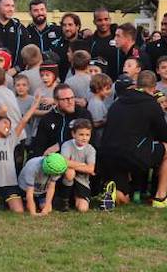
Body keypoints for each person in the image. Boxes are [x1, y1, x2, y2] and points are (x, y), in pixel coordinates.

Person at [98, 71, 167, 207]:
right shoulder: (152, 105)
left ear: (136, 84)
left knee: (125, 199)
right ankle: (161, 197)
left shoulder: (118, 102)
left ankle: (114, 192)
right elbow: (164, 135)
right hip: (131, 154)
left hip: (108, 155)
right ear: (154, 88)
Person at [31, 84, 93, 156]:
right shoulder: (47, 119)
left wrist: (60, 145)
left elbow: (89, 139)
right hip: (53, 160)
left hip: (78, 159)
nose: (70, 101)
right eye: (66, 99)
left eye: (72, 98)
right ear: (56, 101)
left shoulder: (83, 115)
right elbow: (39, 145)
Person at [57, 118, 96, 213]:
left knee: (83, 209)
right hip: (66, 179)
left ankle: (76, 200)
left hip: (82, 181)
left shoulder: (90, 149)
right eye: (81, 134)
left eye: (87, 135)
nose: (84, 138)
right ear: (74, 134)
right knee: (70, 172)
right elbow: (64, 162)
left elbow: (91, 169)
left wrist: (72, 164)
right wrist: (82, 165)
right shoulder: (67, 145)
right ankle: (64, 200)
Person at [0, 0, 29, 67]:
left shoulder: (19, 28)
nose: (11, 9)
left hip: (14, 73)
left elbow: (26, 53)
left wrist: (16, 69)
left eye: (12, 6)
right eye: (7, 5)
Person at [89, 7, 117, 73]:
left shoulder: (118, 40)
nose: (103, 23)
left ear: (110, 20)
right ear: (94, 22)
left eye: (106, 19)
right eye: (99, 20)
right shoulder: (90, 42)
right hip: (96, 81)